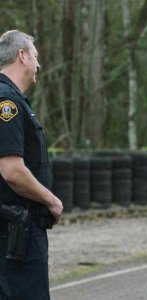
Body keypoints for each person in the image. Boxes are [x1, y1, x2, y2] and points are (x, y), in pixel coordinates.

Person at [0, 30, 63, 299]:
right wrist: (51, 200)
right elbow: (12, 170)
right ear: (22, 56)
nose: (38, 65)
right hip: (16, 234)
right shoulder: (8, 102)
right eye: (35, 57)